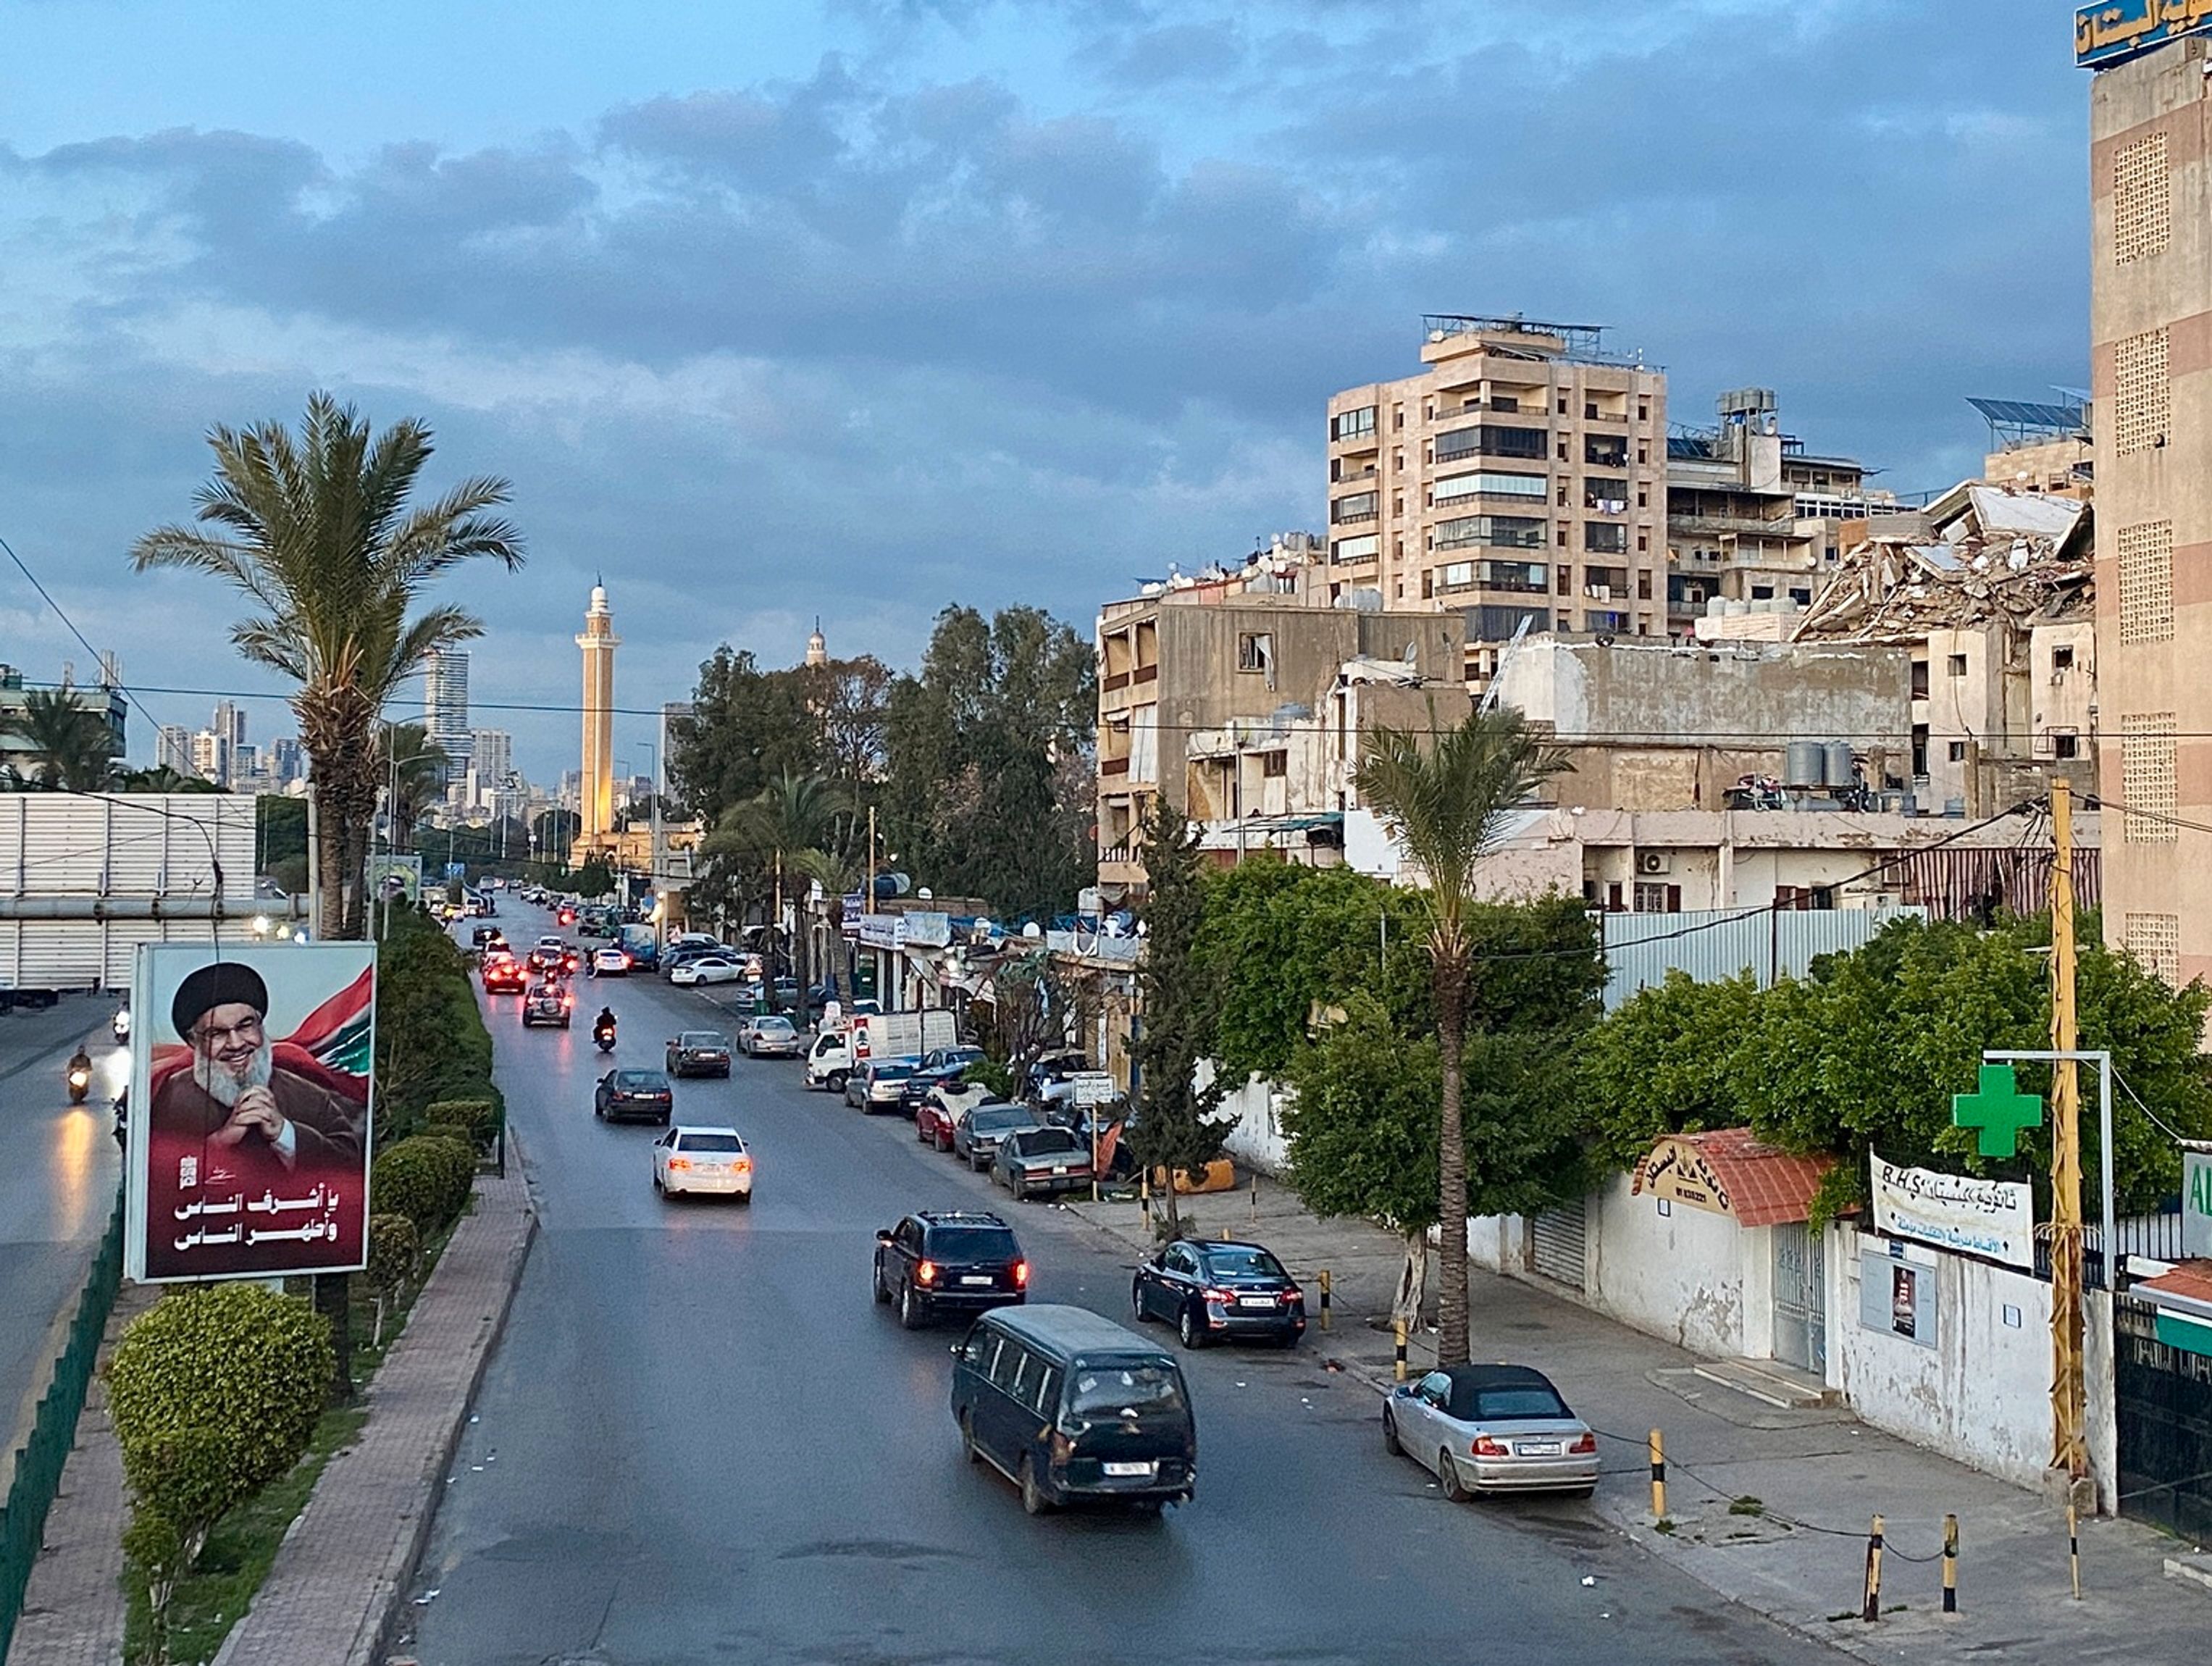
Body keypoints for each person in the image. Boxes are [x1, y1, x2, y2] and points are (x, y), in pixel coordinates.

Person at [149, 963, 362, 1171]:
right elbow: (149, 1181)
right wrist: (220, 1143)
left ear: (260, 1026)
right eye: (217, 1033)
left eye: (245, 1026)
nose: (236, 1044)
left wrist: (284, 1134)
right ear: (194, 1042)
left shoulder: (310, 1098)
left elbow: (349, 1168)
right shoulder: (165, 1101)